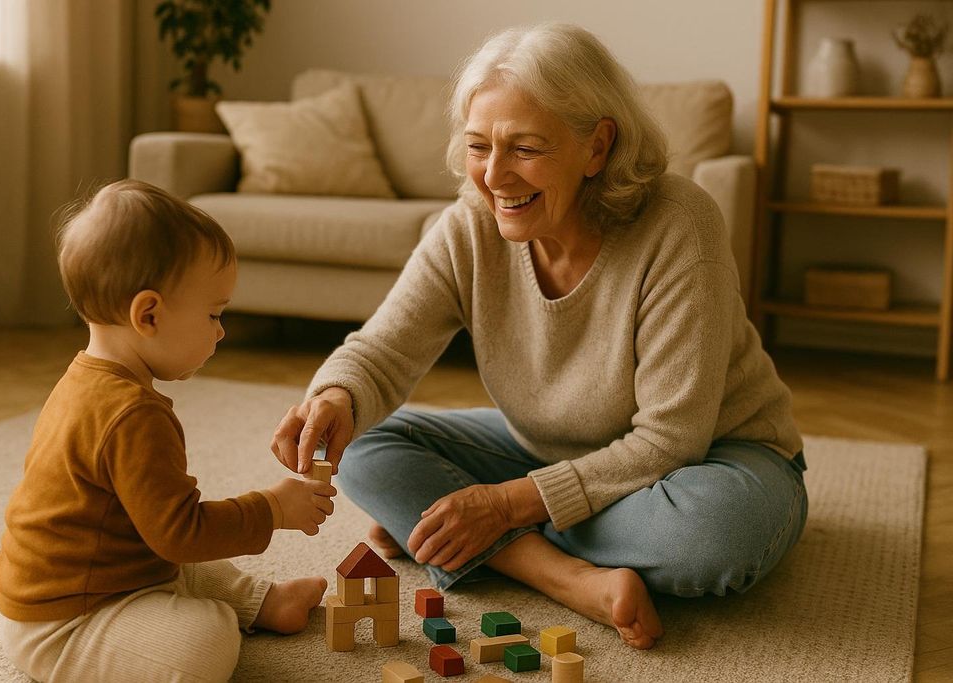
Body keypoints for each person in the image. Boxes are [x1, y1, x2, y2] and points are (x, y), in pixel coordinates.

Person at [272, 23, 807, 651]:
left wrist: (500, 507)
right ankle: (569, 579)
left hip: (714, 458)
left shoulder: (679, 223)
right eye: (478, 146)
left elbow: (672, 438)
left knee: (715, 536)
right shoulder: (467, 229)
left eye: (525, 148)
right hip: (547, 453)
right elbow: (382, 350)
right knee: (365, 445)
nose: (495, 175)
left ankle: (476, 540)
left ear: (598, 147)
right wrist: (335, 397)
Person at [0, 179, 337, 681]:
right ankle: (230, 616)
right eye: (214, 314)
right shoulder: (132, 414)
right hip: (65, 623)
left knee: (195, 566)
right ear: (148, 314)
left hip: (103, 577)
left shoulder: (87, 378)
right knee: (204, 640)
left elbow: (166, 534)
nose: (221, 330)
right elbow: (180, 534)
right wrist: (273, 507)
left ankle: (265, 603)